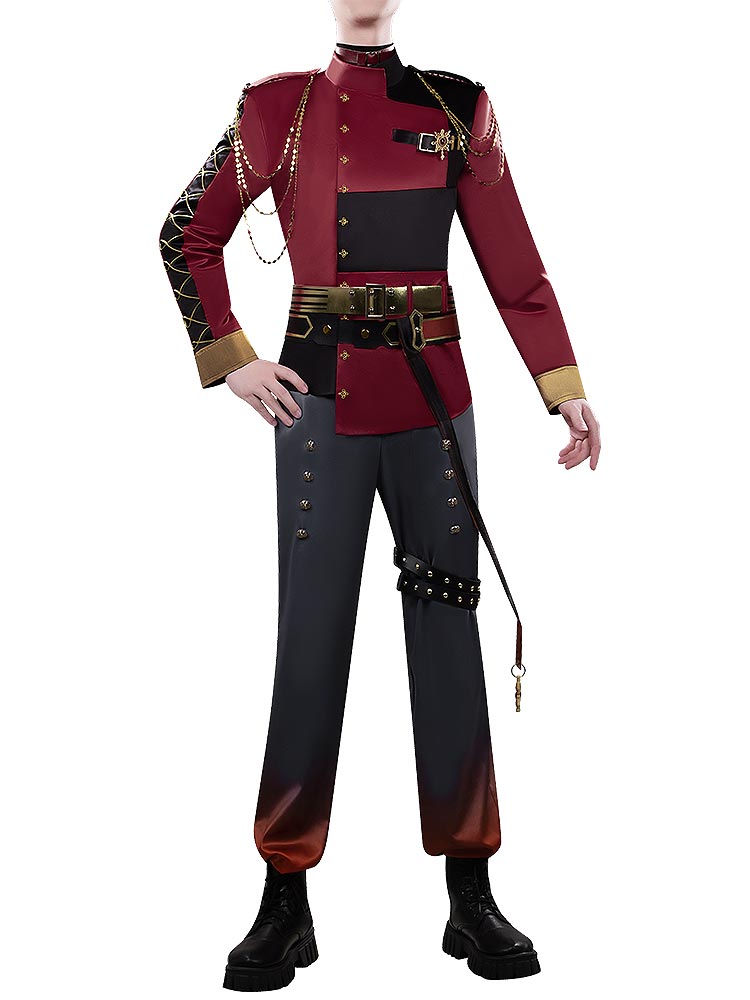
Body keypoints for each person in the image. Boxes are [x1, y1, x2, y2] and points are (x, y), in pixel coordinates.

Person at [158, 0, 600, 989]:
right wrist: (230, 356)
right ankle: (283, 897)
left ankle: (471, 890)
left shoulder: (459, 107)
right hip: (316, 409)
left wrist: (561, 384)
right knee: (310, 639)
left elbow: (516, 266)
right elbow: (186, 232)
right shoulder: (276, 108)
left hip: (436, 405)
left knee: (449, 632)